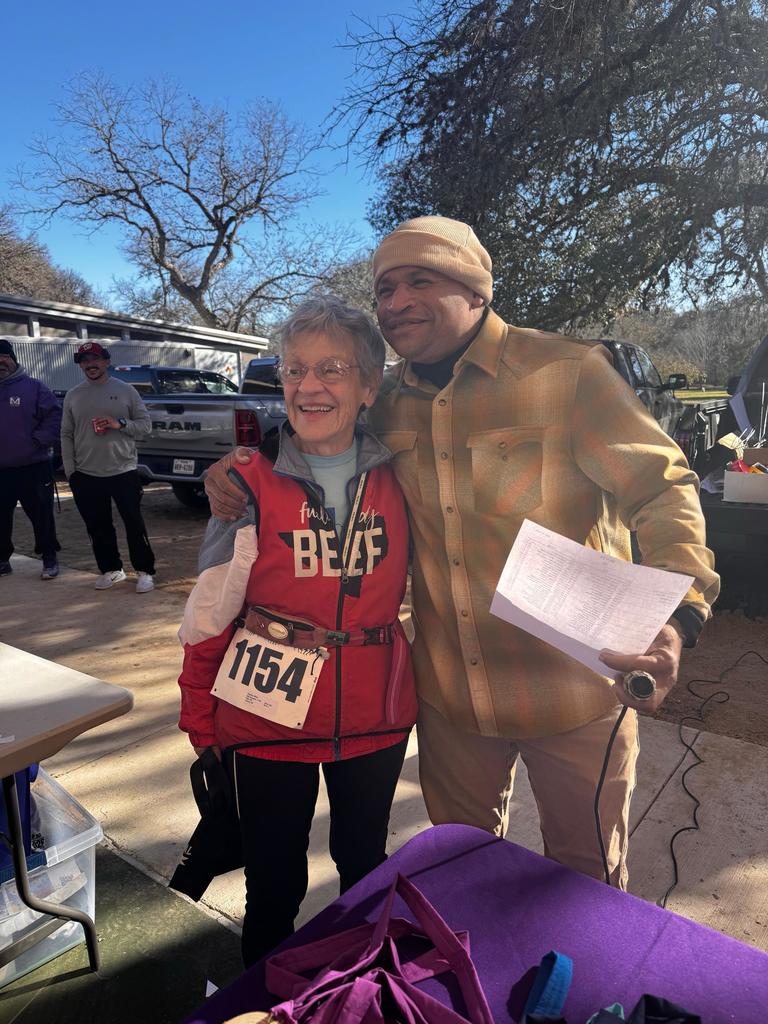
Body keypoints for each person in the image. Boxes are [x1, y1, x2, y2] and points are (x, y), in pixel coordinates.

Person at [204, 216, 720, 890]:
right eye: (385, 288)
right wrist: (243, 461)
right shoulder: (386, 401)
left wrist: (676, 615)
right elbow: (317, 423)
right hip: (452, 703)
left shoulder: (566, 373)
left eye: (420, 279)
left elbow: (663, 488)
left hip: (574, 693)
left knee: (587, 885)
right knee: (462, 877)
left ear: (476, 289)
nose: (395, 302)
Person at [177, 296, 417, 965]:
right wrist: (203, 723)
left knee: (365, 867)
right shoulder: (247, 484)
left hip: (375, 715)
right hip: (264, 719)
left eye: (333, 369)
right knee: (273, 884)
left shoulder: (407, 478)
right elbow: (208, 616)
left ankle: (363, 989)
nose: (309, 386)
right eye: (295, 370)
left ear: (370, 386)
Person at [61, 340, 157, 593]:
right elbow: (66, 434)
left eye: (95, 359)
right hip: (86, 473)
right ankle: (111, 570)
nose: (90, 365)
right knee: (98, 526)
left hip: (123, 470)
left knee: (134, 523)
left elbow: (145, 426)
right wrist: (71, 470)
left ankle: (145, 571)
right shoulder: (73, 395)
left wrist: (120, 423)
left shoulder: (126, 390)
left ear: (106, 361)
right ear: (81, 366)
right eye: (84, 361)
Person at [0, 338, 62, 580]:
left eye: (4, 357)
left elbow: (54, 417)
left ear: (13, 360)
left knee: (41, 515)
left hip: (33, 466)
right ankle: (3, 559)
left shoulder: (34, 387)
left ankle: (49, 558)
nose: (0, 362)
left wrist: (37, 441)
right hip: (1, 469)